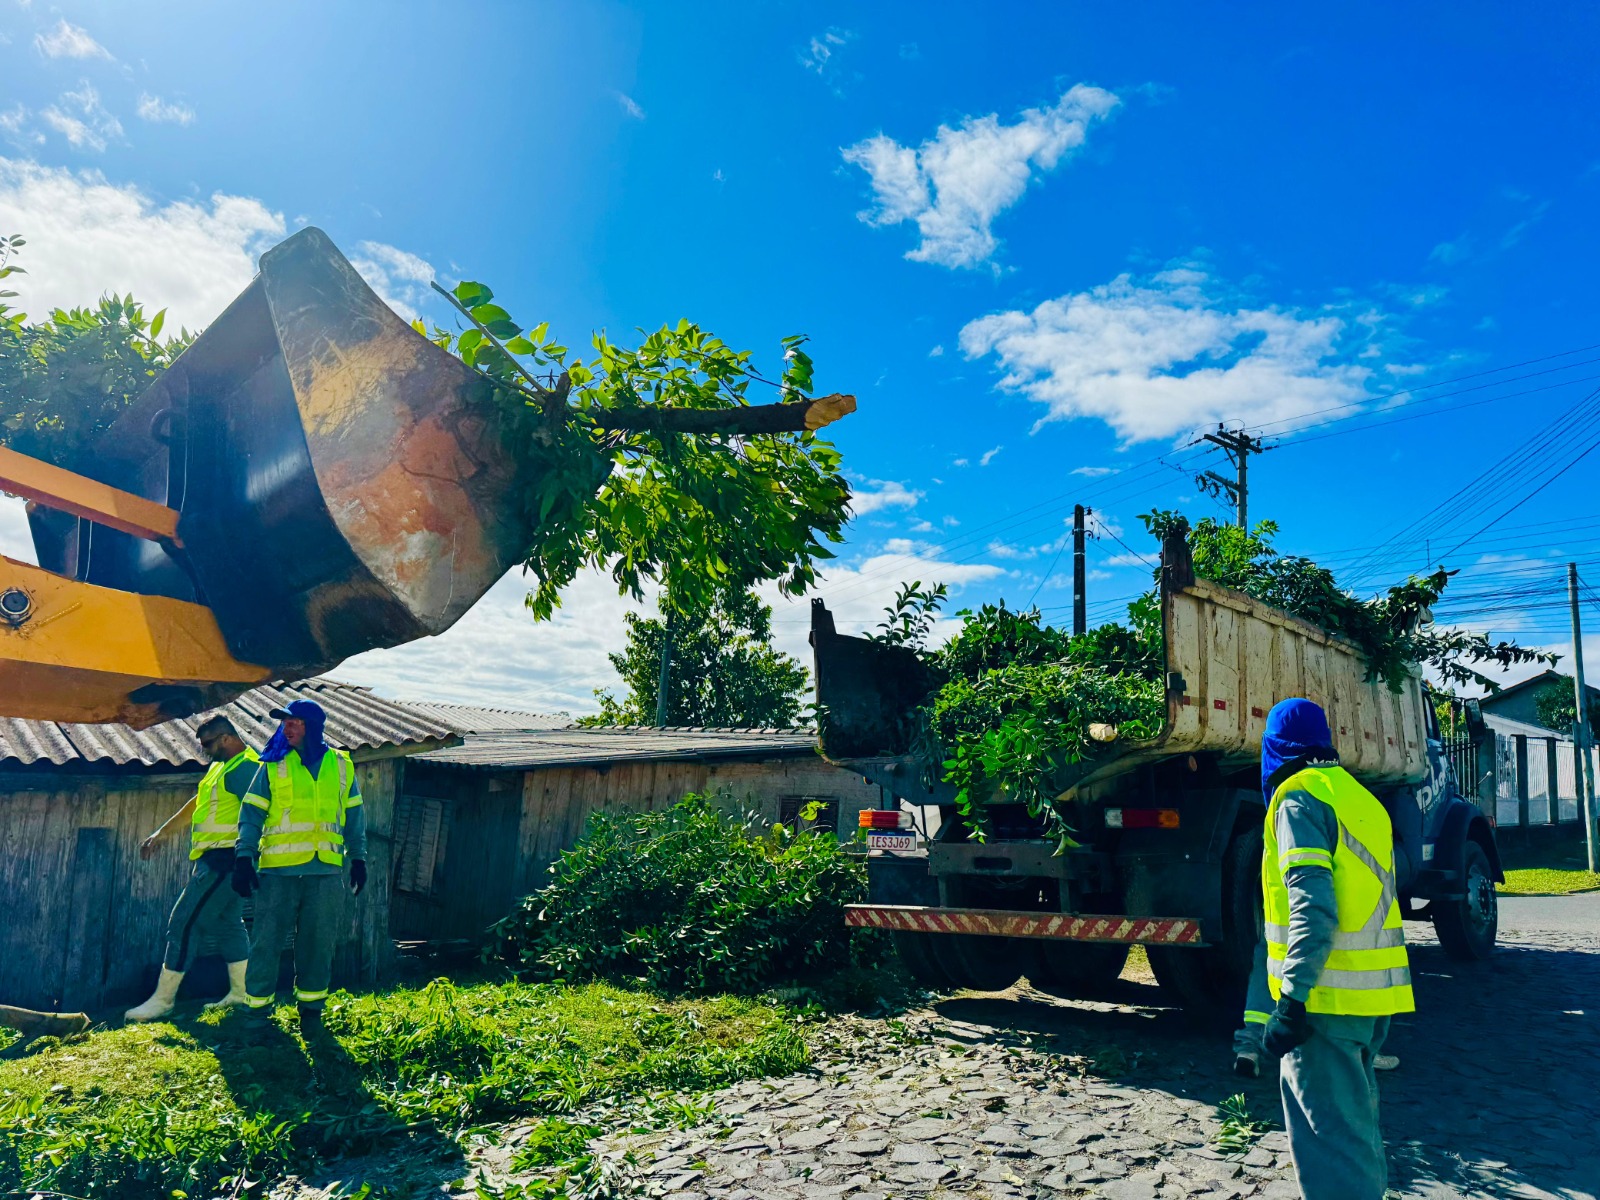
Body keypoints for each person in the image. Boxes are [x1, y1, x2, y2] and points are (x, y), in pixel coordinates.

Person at [1256, 698, 1413, 1200]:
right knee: (1355, 1134)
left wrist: (1291, 1001)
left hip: (1323, 1002)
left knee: (1330, 1146)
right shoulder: (1360, 797)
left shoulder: (1297, 798)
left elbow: (1313, 910)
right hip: (1369, 1000)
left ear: (1276, 747)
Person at [232, 699, 367, 1036]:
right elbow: (251, 814)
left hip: (325, 873)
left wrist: (359, 857)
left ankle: (311, 1014)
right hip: (278, 874)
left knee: (318, 945)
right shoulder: (273, 763)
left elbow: (354, 816)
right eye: (284, 722)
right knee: (266, 943)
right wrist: (243, 856)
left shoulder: (341, 765)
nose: (286, 728)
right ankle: (257, 1017)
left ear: (313, 726)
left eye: (294, 722)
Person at [125, 715, 260, 1022]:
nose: (204, 752)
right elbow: (198, 803)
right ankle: (240, 994)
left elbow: (264, 811)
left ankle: (163, 1001)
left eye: (208, 744)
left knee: (183, 924)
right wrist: (163, 833)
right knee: (228, 922)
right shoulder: (219, 768)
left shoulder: (245, 768)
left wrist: (248, 856)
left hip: (226, 860)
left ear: (226, 738)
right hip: (217, 859)